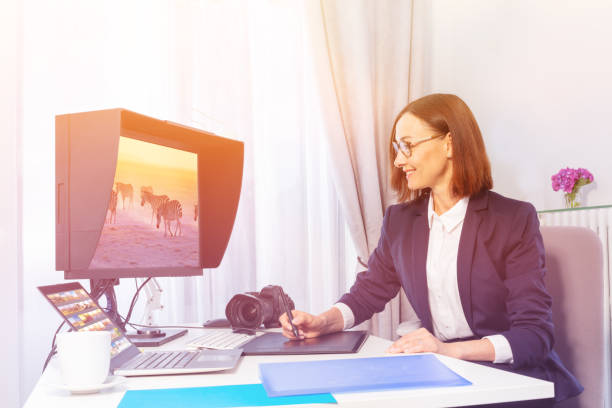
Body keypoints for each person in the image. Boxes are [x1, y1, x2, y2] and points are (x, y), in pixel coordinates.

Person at [279, 94, 582, 407]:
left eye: (407, 145)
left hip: (509, 378)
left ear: (449, 144)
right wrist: (322, 322)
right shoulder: (400, 221)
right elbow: (370, 289)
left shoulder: (513, 219)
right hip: (441, 371)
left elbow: (535, 335)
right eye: (397, 148)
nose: (398, 161)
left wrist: (449, 350)